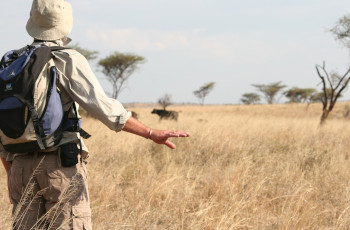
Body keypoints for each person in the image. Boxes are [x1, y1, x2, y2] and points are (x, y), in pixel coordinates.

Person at [0, 0, 190, 229]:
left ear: (32, 21)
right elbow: (104, 108)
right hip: (59, 166)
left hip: (20, 168)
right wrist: (150, 133)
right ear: (66, 24)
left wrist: (12, 173)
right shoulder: (65, 58)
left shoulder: (11, 64)